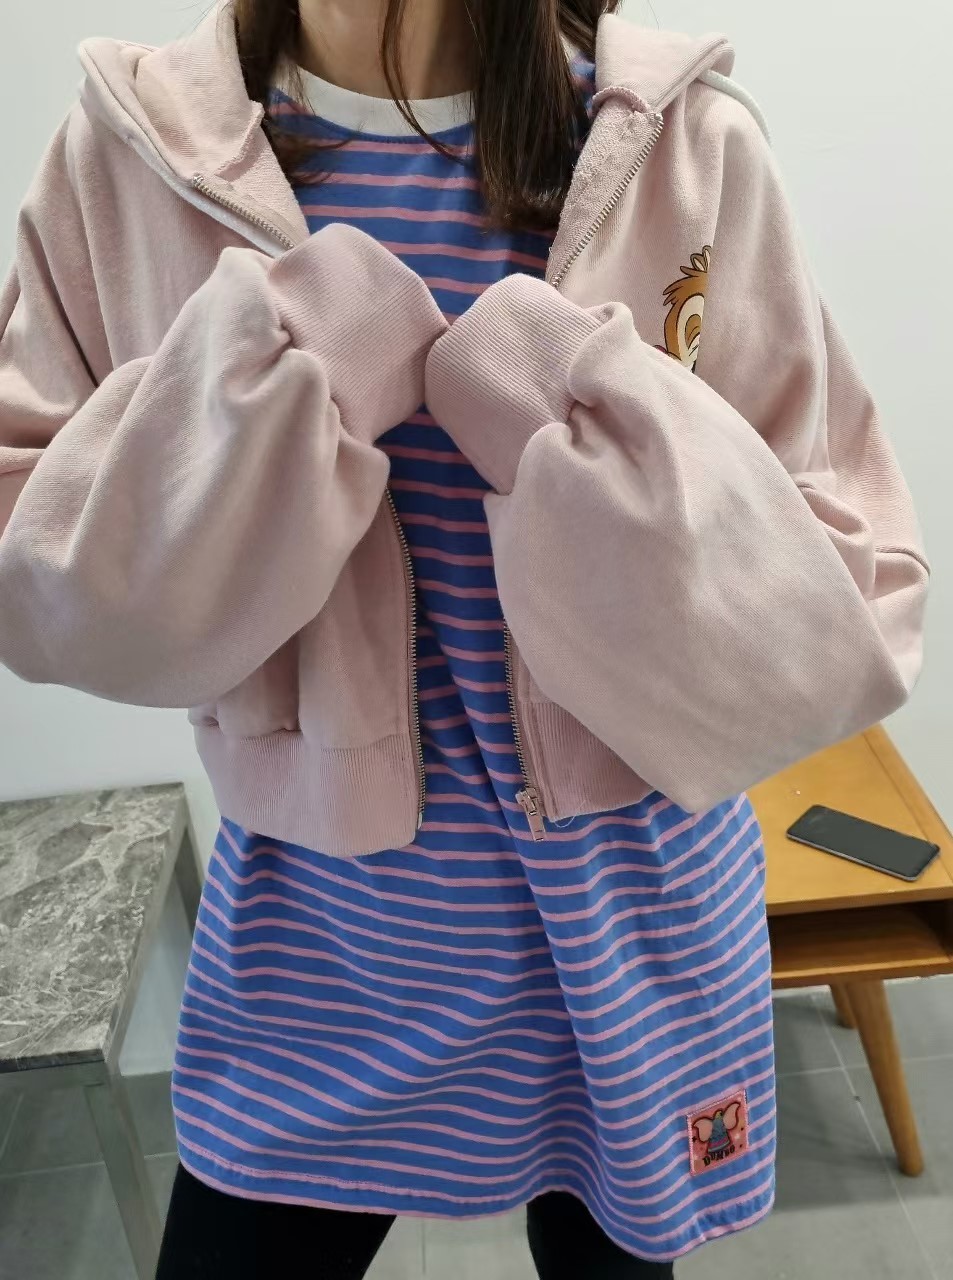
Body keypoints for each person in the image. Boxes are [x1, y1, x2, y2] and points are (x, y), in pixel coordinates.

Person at [0, 0, 928, 1276]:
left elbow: (835, 600)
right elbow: (42, 576)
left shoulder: (681, 142)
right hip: (322, 944)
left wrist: (559, 404)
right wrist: (285, 378)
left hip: (632, 923)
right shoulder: (131, 153)